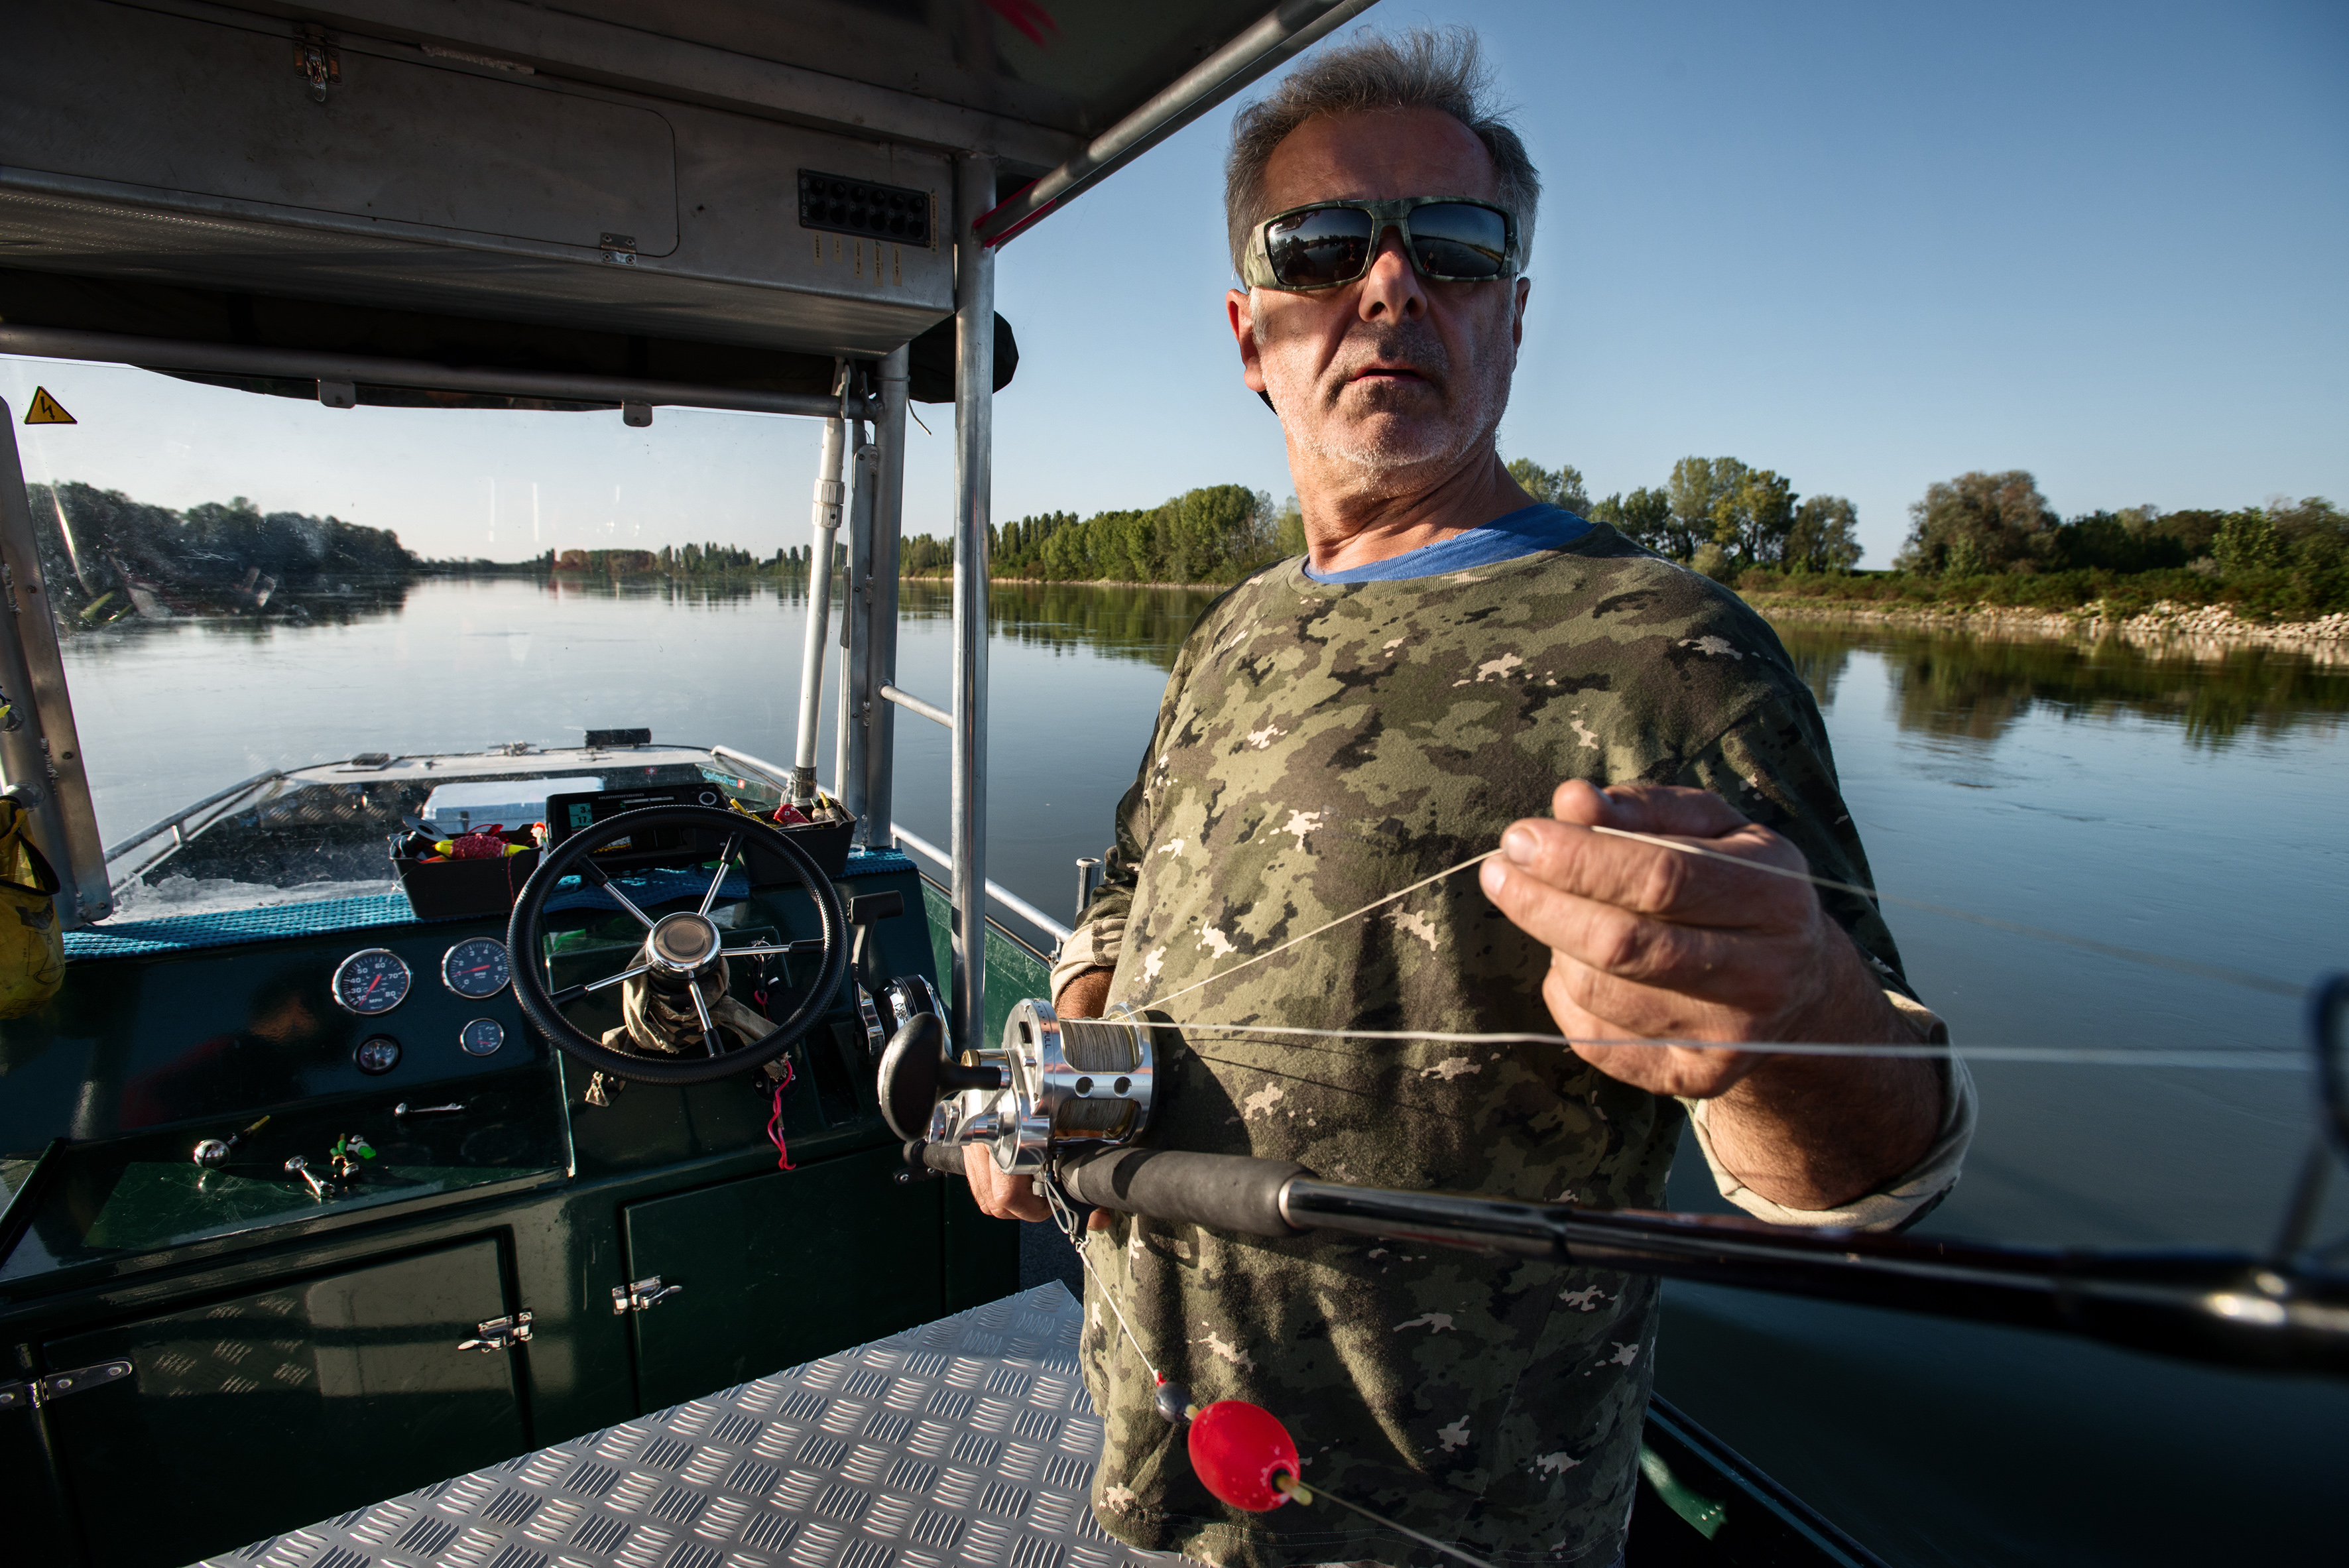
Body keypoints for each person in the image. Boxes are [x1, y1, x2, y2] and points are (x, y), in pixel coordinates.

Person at [962, 28, 1974, 1568]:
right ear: (1251, 335)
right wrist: (1067, 1048)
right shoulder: (1235, 628)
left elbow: (1869, 1181)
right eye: (1319, 247)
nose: (1388, 285)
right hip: (1164, 1466)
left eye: (1452, 245)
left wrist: (1792, 1011)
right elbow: (1126, 876)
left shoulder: (1670, 650)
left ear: (1507, 317)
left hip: (1450, 1530)